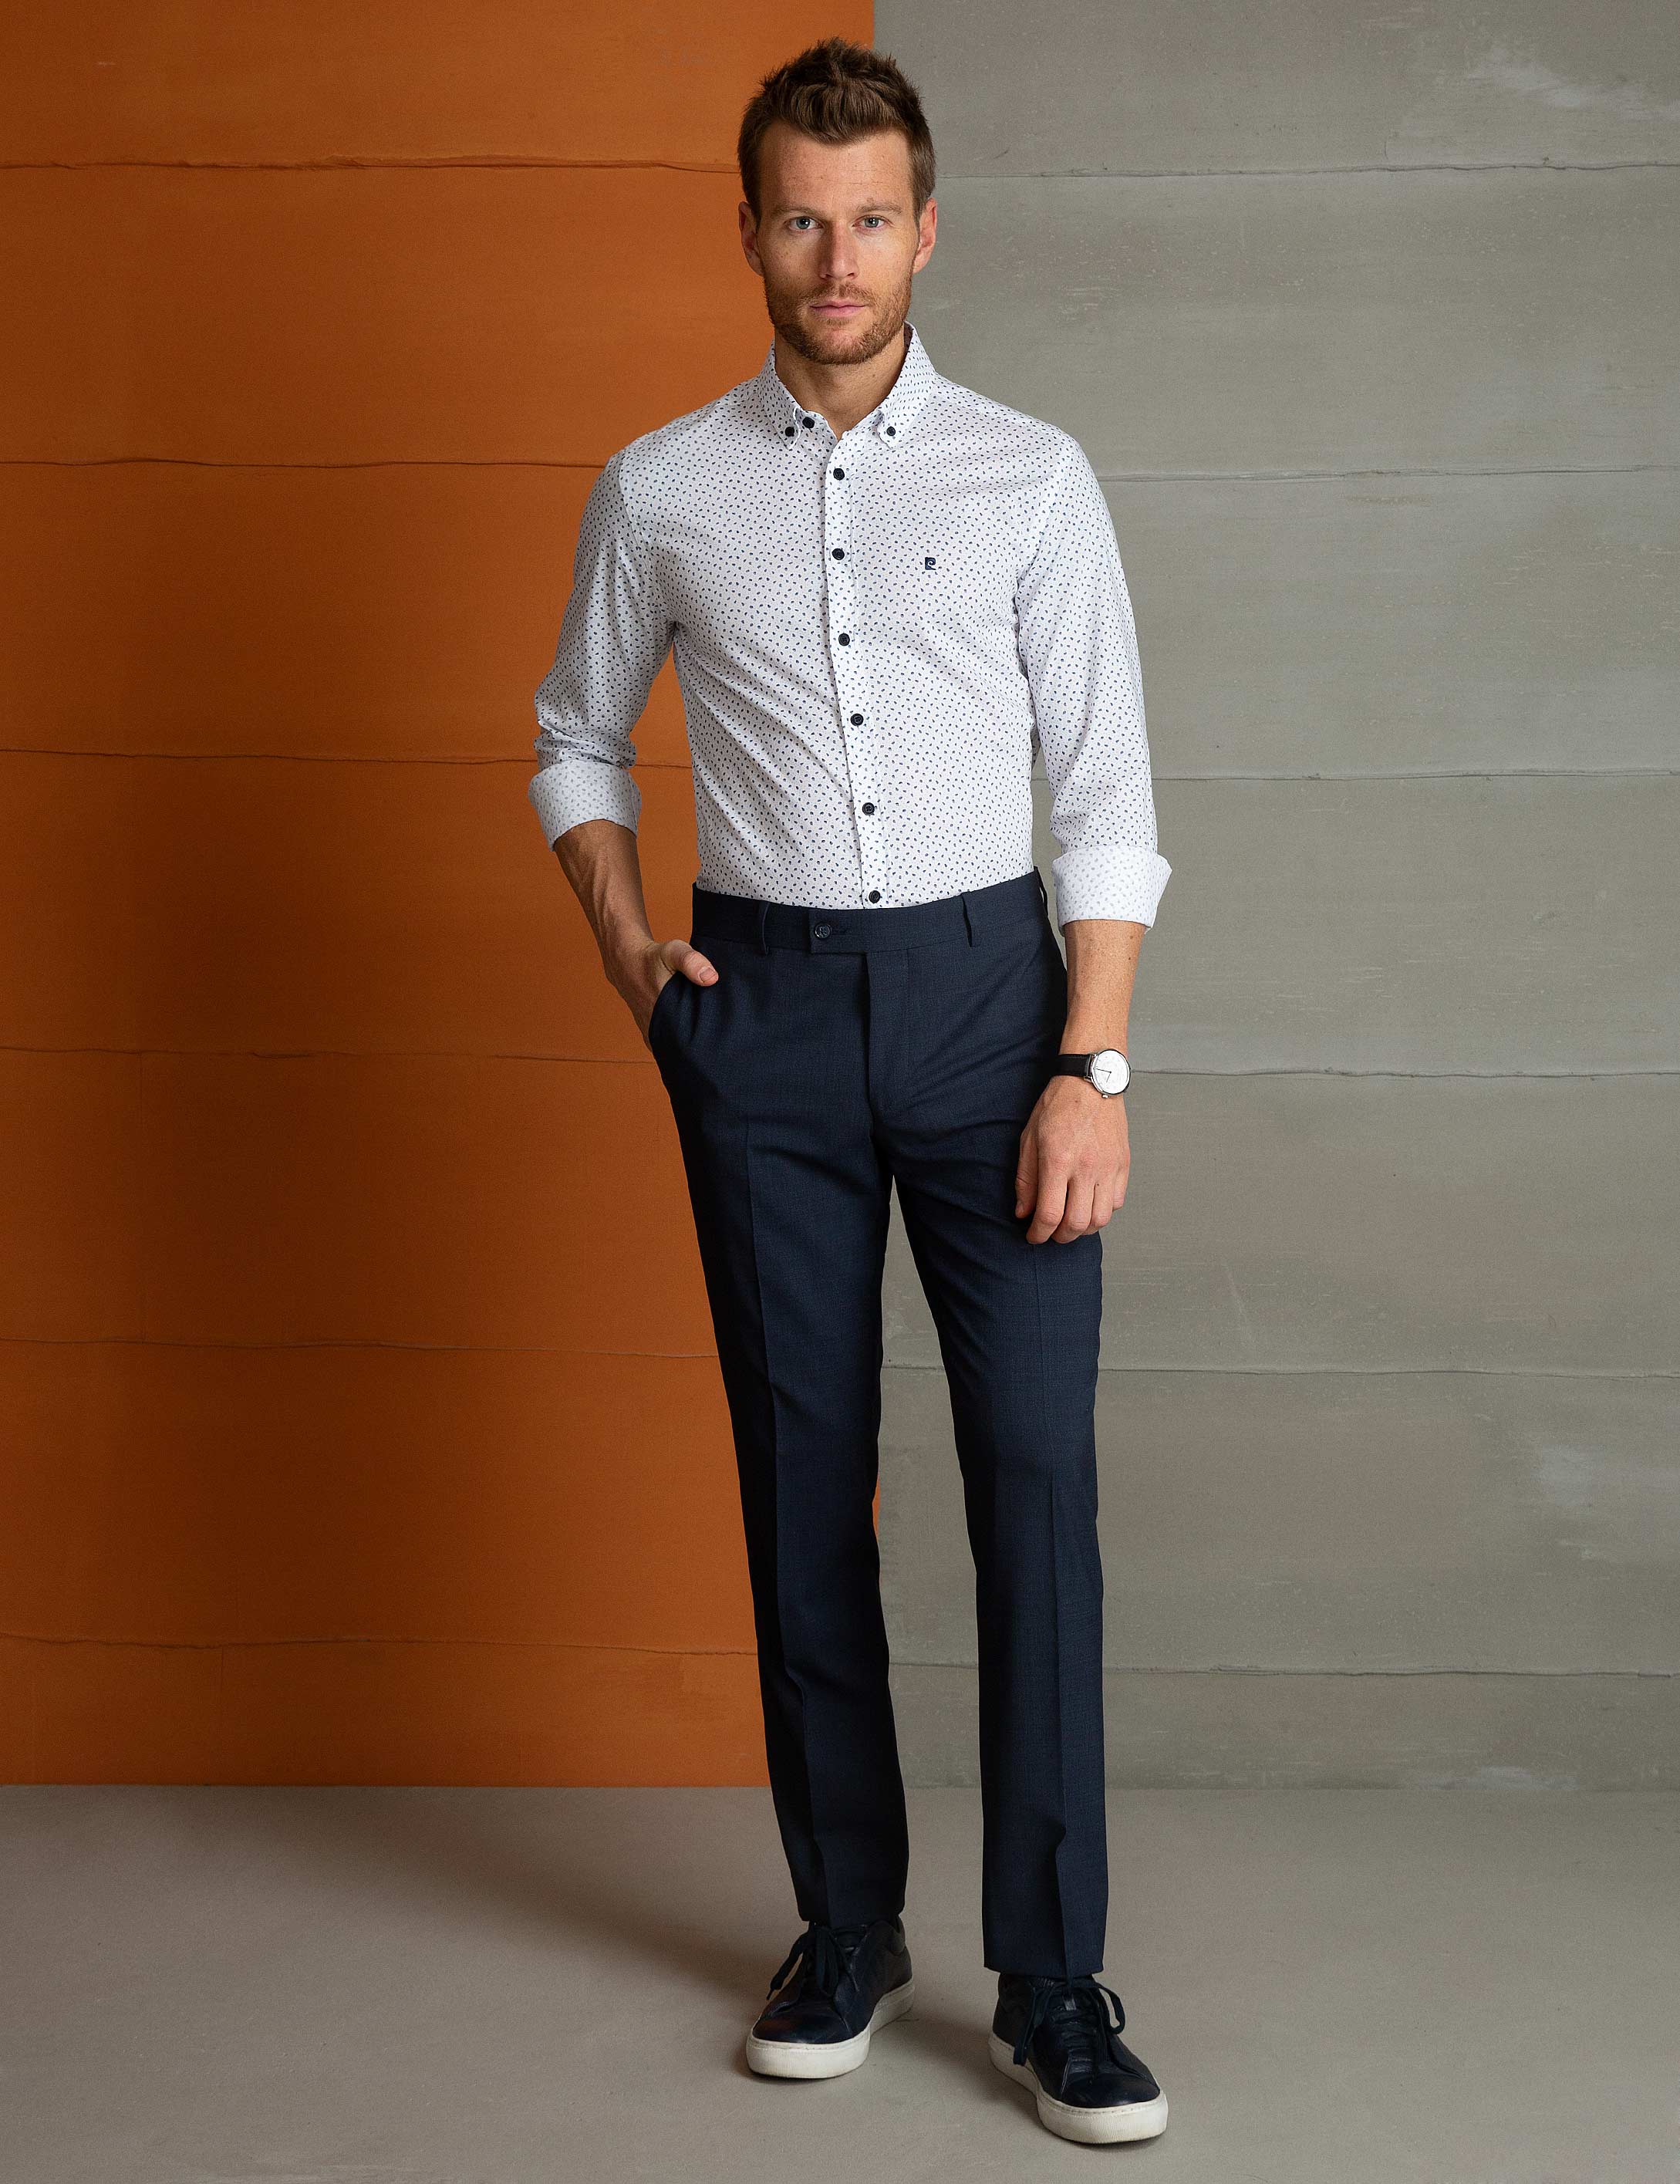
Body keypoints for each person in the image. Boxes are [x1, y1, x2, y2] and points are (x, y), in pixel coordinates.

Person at [527, 35, 1172, 2149]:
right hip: (767, 1015)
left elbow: (1105, 793)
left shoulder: (1031, 475)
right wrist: (636, 957)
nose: (836, 255)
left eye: (870, 215)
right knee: (804, 1475)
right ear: (749, 231)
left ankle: (1052, 1978)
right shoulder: (659, 485)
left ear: (924, 230)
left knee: (1033, 1482)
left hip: (996, 1007)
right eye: (801, 217)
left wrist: (1089, 1063)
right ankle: (845, 1927)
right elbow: (570, 737)